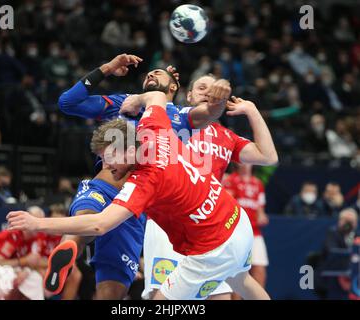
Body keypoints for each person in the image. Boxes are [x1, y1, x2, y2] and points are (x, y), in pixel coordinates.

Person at [7, 90, 273, 300]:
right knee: (242, 280)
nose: (108, 166)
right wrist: (138, 100)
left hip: (213, 246)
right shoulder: (154, 129)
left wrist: (37, 223)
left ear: (126, 148)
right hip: (237, 225)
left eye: (110, 158)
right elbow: (157, 96)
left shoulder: (144, 181)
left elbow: (99, 224)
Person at [50, 54, 231, 299]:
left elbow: (211, 112)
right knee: (89, 219)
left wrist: (220, 96)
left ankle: (71, 245)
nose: (151, 74)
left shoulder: (181, 115)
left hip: (138, 204)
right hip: (108, 185)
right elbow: (67, 103)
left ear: (173, 86)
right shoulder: (122, 103)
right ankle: (67, 251)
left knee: (112, 291)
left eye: (159, 73)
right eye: (149, 73)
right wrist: (107, 68)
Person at [142, 75, 278, 300]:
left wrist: (252, 110)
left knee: (222, 296)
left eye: (211, 88)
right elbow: (152, 100)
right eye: (201, 87)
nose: (206, 91)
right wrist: (165, 80)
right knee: (162, 295)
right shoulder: (172, 119)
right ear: (188, 95)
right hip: (168, 224)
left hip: (209, 228)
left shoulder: (227, 137)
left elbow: (268, 156)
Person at [0, 206, 45, 300]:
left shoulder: (37, 237)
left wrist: (27, 270)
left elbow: (34, 261)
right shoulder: (13, 235)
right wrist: (24, 261)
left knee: (35, 278)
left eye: (41, 221)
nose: (38, 225)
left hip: (13, 268)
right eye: (36, 220)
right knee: (12, 278)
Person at [223, 164, 269, 289]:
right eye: (242, 160)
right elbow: (227, 204)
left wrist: (262, 217)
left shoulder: (258, 183)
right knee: (238, 273)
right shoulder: (230, 180)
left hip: (255, 233)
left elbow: (260, 210)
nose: (245, 163)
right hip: (236, 232)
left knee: (259, 268)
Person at [317, 208, 359, 299]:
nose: (348, 224)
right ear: (340, 221)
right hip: (333, 274)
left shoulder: (357, 235)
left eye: (351, 221)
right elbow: (333, 251)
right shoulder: (332, 232)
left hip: (353, 274)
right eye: (345, 220)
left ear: (356, 223)